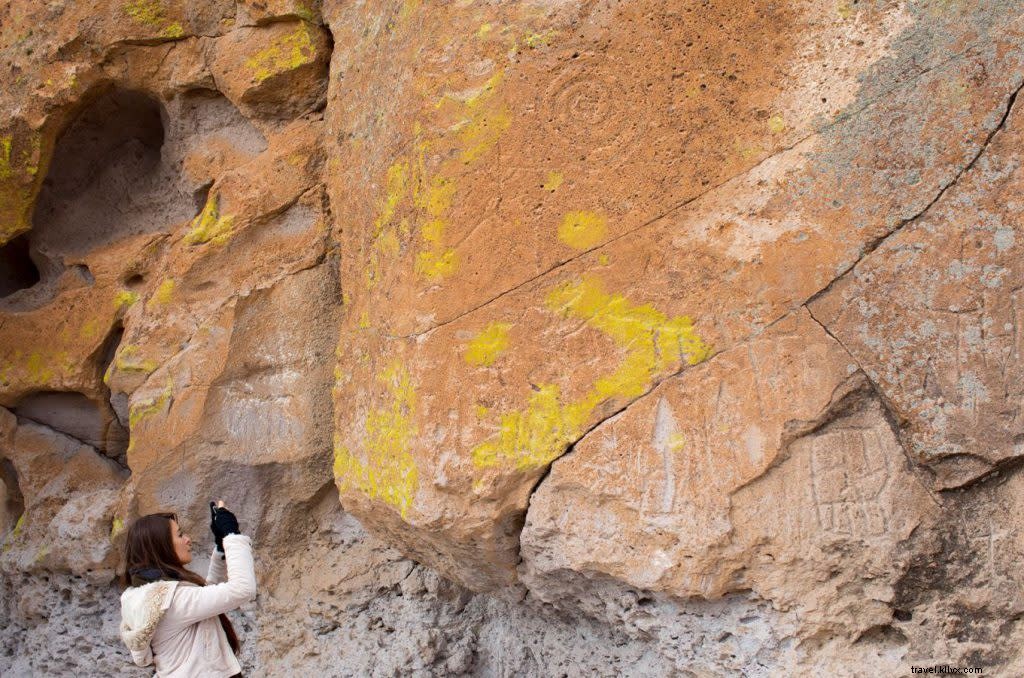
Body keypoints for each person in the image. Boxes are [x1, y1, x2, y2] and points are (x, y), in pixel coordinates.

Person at [119, 501, 256, 677]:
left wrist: (221, 549)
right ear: (161, 546)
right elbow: (242, 589)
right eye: (180, 535)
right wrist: (231, 534)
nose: (187, 539)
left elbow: (202, 601)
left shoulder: (152, 597)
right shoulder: (175, 601)